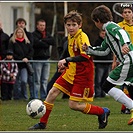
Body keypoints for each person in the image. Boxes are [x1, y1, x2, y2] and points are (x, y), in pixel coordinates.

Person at [29, 10, 110, 130]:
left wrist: (66, 60)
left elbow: (85, 56)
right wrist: (65, 65)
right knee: (52, 93)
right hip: (71, 73)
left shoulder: (82, 37)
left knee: (73, 105)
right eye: (68, 25)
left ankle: (102, 111)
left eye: (74, 25)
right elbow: (72, 56)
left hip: (82, 75)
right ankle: (42, 123)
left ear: (80, 25)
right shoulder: (70, 38)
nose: (71, 27)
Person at [82, 5, 133, 125]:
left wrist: (125, 43)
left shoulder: (110, 26)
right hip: (130, 59)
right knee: (130, 86)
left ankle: (131, 106)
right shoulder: (108, 33)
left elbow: (122, 32)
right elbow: (104, 50)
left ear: (98, 21)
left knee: (106, 86)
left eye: (94, 22)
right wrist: (88, 49)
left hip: (128, 59)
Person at [112, 3, 133, 114]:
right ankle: (125, 107)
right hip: (125, 58)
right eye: (125, 12)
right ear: (122, 14)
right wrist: (114, 60)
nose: (127, 14)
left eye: (129, 12)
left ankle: (127, 107)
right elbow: (116, 44)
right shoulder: (119, 26)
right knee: (125, 82)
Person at [11, 18, 35, 100]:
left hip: (24, 65)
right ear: (16, 33)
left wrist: (27, 58)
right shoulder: (12, 42)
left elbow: (31, 51)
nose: (20, 33)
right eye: (18, 32)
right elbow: (11, 52)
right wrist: (20, 58)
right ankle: (16, 97)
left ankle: (24, 96)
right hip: (16, 65)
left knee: (24, 81)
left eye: (21, 32)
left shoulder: (27, 42)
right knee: (16, 81)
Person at [32, 19, 55, 100]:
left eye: (43, 25)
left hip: (46, 59)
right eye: (41, 25)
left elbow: (52, 41)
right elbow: (36, 43)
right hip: (37, 59)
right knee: (37, 80)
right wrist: (45, 43)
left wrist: (43, 40)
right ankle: (35, 96)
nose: (42, 27)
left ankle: (44, 96)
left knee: (44, 80)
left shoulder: (47, 34)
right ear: (37, 26)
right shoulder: (34, 34)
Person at [93, 29, 112, 98]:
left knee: (105, 80)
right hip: (100, 63)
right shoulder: (98, 42)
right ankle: (98, 94)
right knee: (98, 80)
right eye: (102, 33)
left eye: (105, 33)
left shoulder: (109, 42)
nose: (104, 35)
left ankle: (103, 93)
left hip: (108, 63)